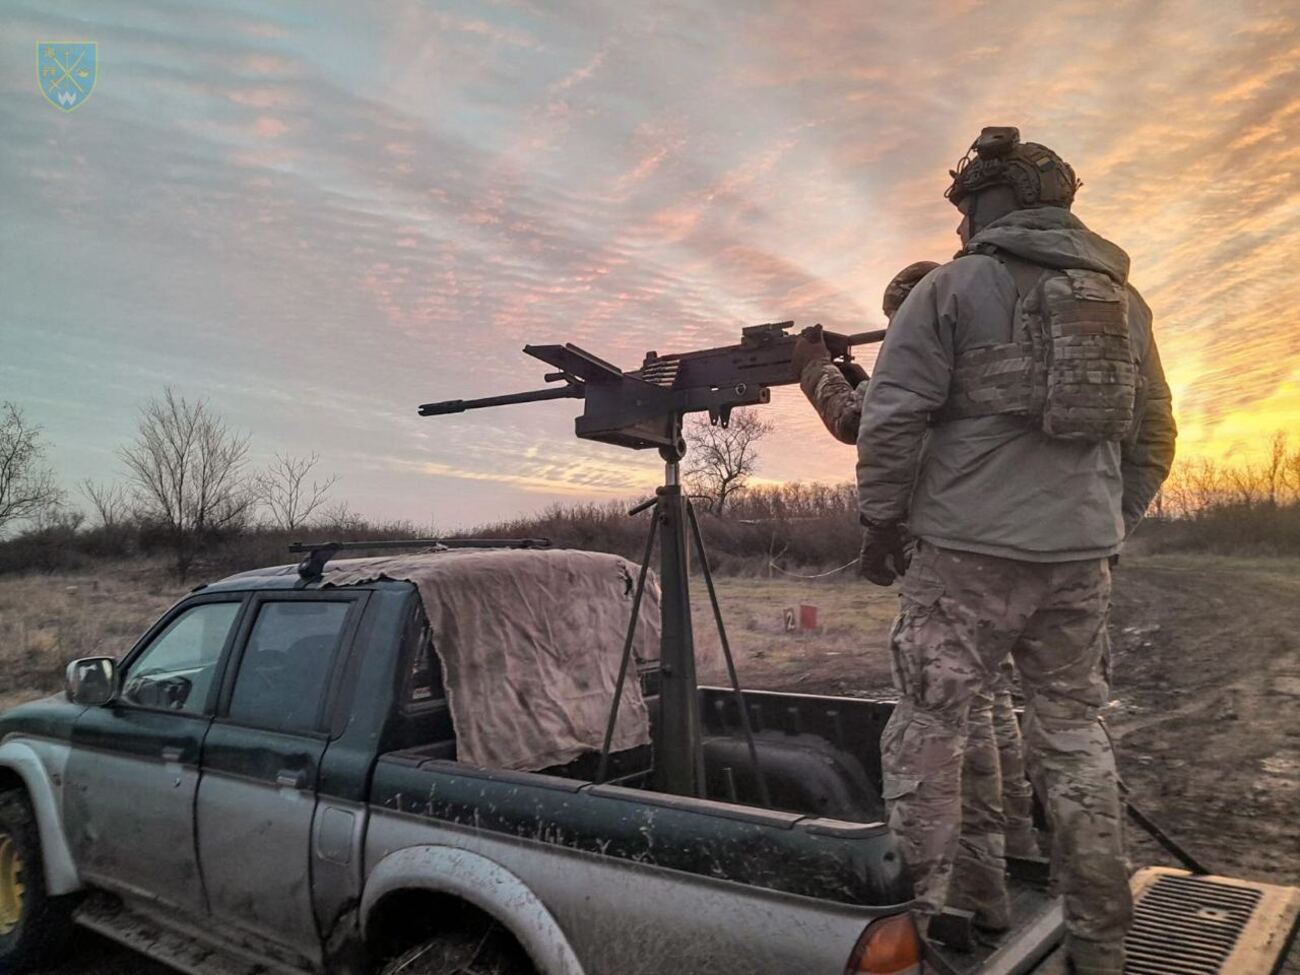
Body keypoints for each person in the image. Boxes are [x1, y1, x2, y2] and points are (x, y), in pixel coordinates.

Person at [854, 127, 1176, 975]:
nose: (960, 226)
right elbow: (1156, 437)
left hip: (965, 556)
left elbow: (891, 420)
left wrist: (883, 524)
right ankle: (1103, 946)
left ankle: (914, 939)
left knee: (929, 730)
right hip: (1080, 560)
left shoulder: (953, 288)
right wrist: (1106, 526)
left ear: (994, 202)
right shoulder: (1125, 304)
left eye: (967, 207)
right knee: (1074, 737)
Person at [792, 261, 1040, 937]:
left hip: (952, 561)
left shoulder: (931, 345)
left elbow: (860, 422)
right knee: (986, 716)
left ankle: (928, 916)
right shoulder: (980, 348)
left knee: (933, 732)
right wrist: (852, 368)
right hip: (1008, 556)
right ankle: (1000, 880)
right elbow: (898, 403)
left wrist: (814, 366)